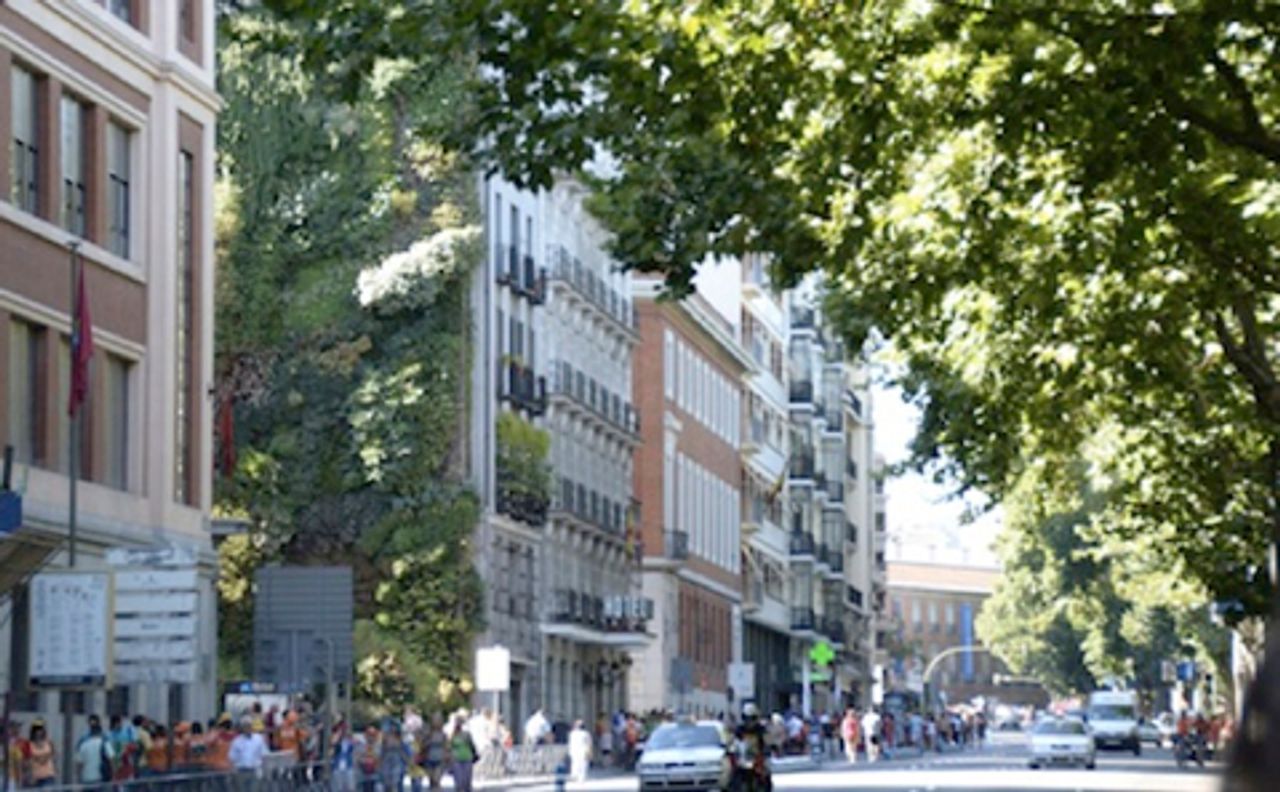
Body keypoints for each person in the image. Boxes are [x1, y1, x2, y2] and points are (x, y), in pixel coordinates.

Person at [76, 715, 114, 789]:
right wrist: (112, 773)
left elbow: (79, 762)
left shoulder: (83, 741)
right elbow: (111, 758)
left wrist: (78, 777)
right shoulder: (104, 740)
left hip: (87, 778)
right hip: (101, 777)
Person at [448, 715, 478, 792]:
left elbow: (472, 745)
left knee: (466, 782)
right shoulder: (452, 734)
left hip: (467, 758)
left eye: (460, 722)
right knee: (459, 782)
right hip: (456, 759)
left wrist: (475, 754)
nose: (459, 724)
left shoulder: (467, 733)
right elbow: (449, 747)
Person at [27, 721, 56, 789]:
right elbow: (29, 759)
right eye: (36, 729)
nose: (38, 731)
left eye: (40, 729)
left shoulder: (49, 742)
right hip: (35, 775)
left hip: (48, 774)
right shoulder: (29, 744)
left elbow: (53, 755)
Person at [356, 725, 381, 792]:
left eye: (373, 735)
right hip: (363, 775)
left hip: (375, 776)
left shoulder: (379, 746)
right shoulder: (361, 746)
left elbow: (380, 759)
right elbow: (357, 759)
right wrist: (364, 760)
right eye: (369, 734)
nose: (371, 737)